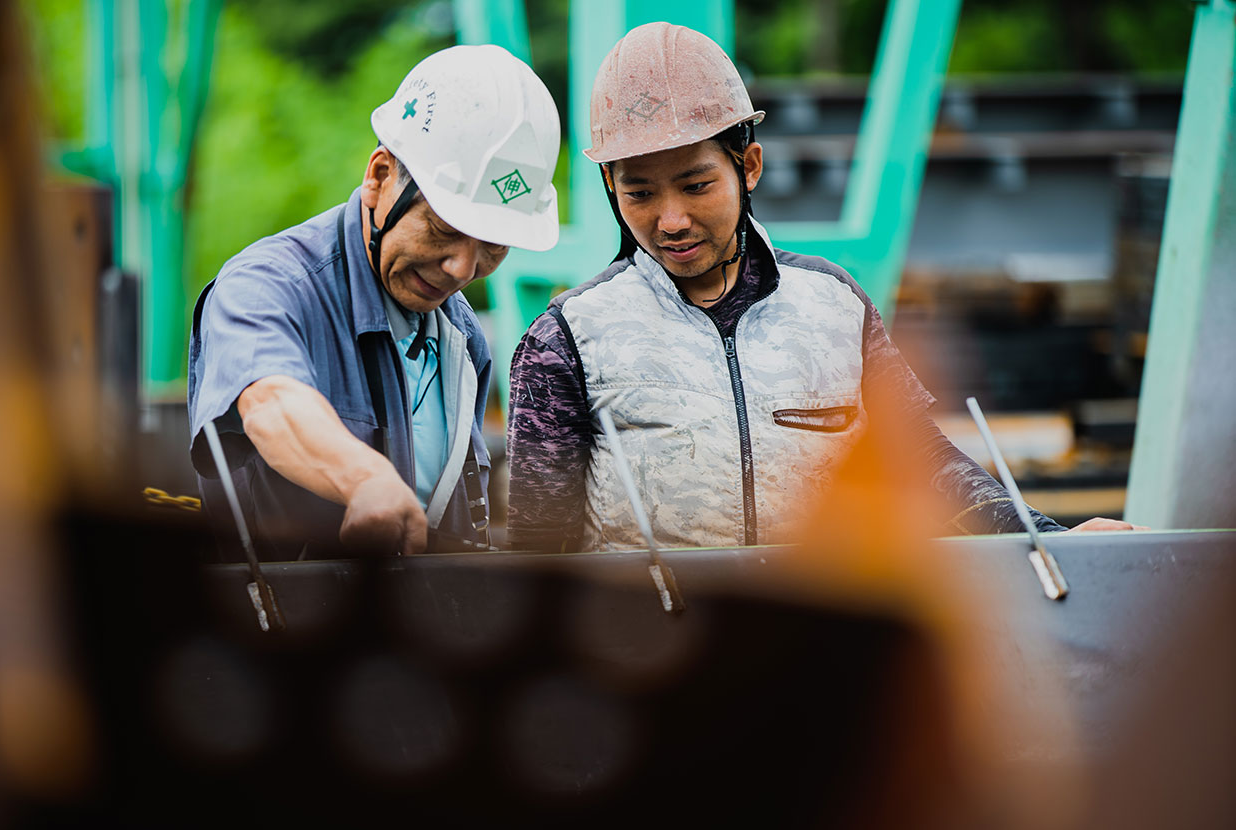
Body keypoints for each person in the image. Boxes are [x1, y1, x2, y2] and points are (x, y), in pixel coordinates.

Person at [505, 22, 1136, 553]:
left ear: (747, 167)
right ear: (611, 188)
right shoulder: (567, 339)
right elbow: (540, 553)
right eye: (640, 193)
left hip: (819, 655)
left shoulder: (833, 304)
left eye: (696, 186)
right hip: (654, 673)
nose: (670, 220)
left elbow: (919, 457)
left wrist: (1051, 540)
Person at [189, 44, 560, 559]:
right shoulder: (266, 286)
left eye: (493, 247)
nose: (462, 269)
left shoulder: (461, 335)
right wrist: (364, 481)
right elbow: (270, 401)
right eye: (444, 228)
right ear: (381, 176)